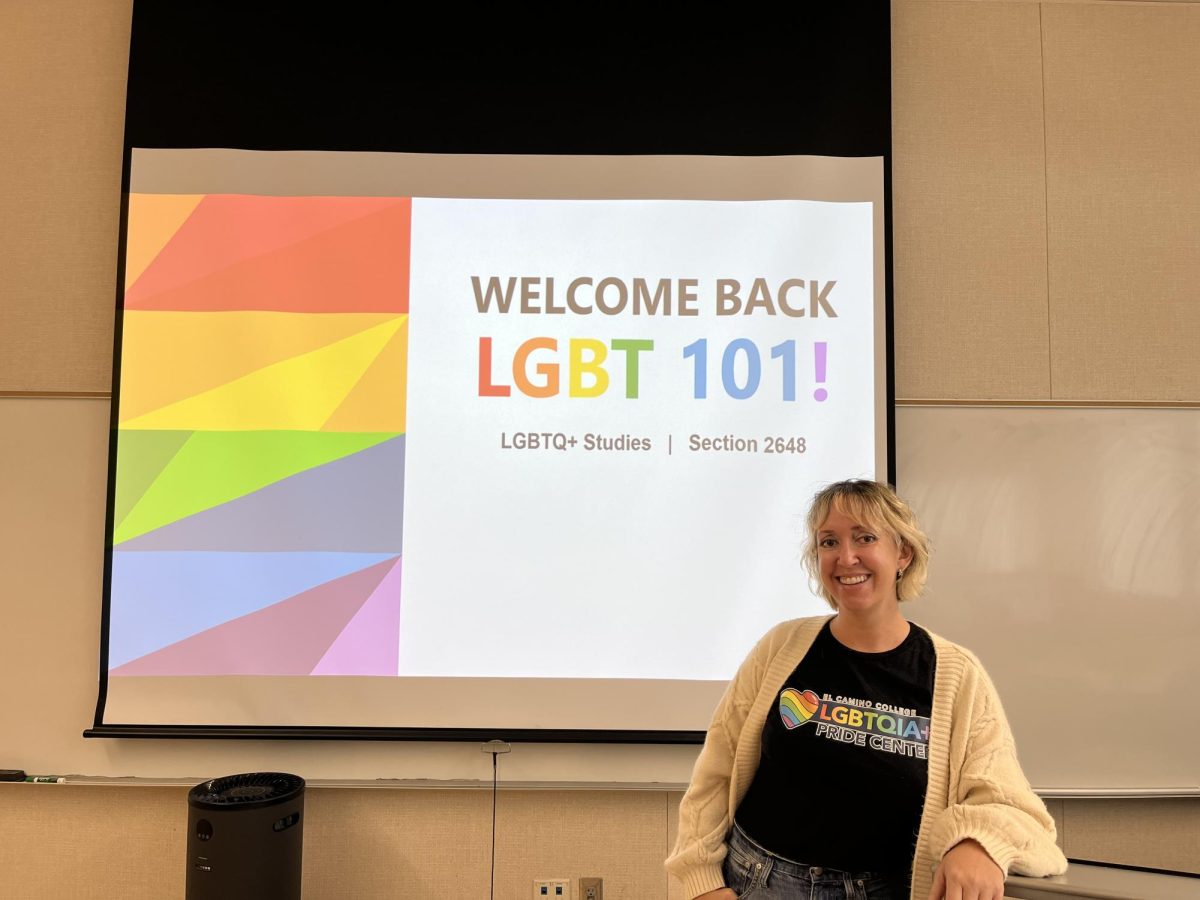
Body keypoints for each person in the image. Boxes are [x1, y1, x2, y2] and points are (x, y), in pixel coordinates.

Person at [666, 479, 1066, 900]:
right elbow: (717, 769)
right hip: (758, 881)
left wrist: (977, 842)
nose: (845, 557)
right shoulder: (781, 647)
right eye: (828, 542)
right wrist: (703, 884)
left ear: (903, 554)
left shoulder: (956, 675)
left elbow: (1013, 807)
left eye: (865, 538)